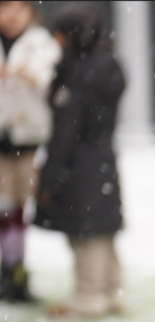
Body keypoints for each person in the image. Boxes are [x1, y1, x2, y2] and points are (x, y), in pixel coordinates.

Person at [35, 3, 124, 317]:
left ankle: (88, 298)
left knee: (85, 232)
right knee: (103, 230)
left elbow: (65, 133)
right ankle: (111, 292)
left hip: (79, 165)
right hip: (102, 159)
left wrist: (48, 178)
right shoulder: (107, 65)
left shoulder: (78, 75)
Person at [0, 0, 58, 303]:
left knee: (18, 210)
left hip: (27, 142)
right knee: (3, 207)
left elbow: (56, 82)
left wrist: (33, 79)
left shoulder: (42, 43)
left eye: (17, 9)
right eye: (5, 8)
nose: (10, 17)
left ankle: (16, 272)